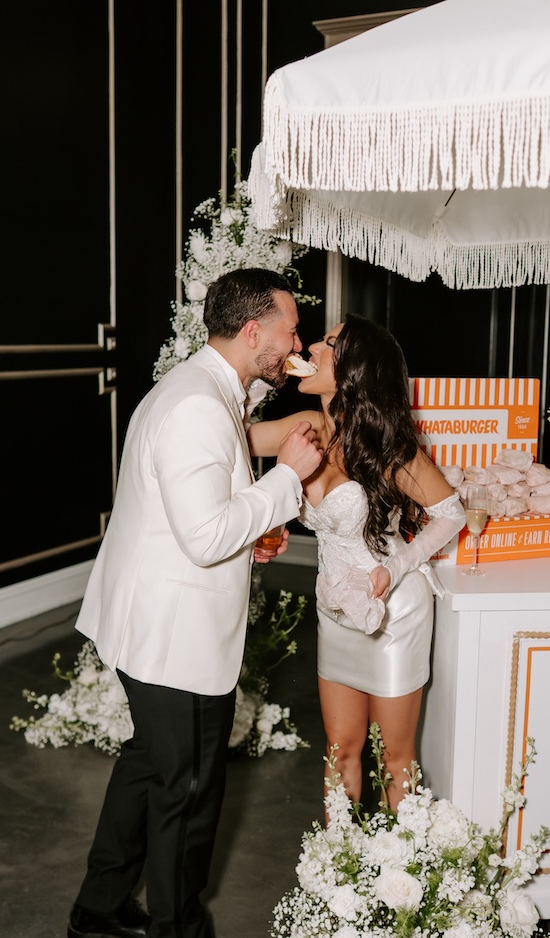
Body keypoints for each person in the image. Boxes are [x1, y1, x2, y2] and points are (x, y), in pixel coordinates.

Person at [67, 268, 322, 938]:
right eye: (291, 329)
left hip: (157, 617)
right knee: (185, 791)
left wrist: (254, 533)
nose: (299, 341)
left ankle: (97, 914)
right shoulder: (198, 406)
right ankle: (177, 928)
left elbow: (202, 517)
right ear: (253, 331)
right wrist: (289, 478)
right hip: (169, 635)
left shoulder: (208, 390)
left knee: (150, 764)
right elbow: (207, 536)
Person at [249, 314, 466, 811]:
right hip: (335, 608)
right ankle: (337, 873)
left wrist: (399, 565)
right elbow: (229, 436)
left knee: (395, 757)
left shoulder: (387, 444)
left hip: (392, 608)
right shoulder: (300, 430)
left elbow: (451, 514)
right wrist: (261, 379)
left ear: (354, 370)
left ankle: (403, 880)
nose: (313, 349)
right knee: (339, 748)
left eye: (328, 344)